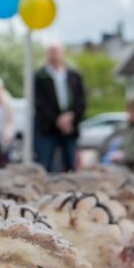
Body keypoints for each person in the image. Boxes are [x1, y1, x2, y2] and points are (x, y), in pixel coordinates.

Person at [34, 43, 86, 172]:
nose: (54, 55)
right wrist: (56, 120)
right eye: (51, 51)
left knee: (70, 163)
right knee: (46, 163)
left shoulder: (74, 75)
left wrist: (71, 116)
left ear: (63, 53)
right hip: (48, 127)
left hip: (70, 126)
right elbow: (39, 103)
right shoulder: (39, 76)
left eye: (56, 51)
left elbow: (81, 99)